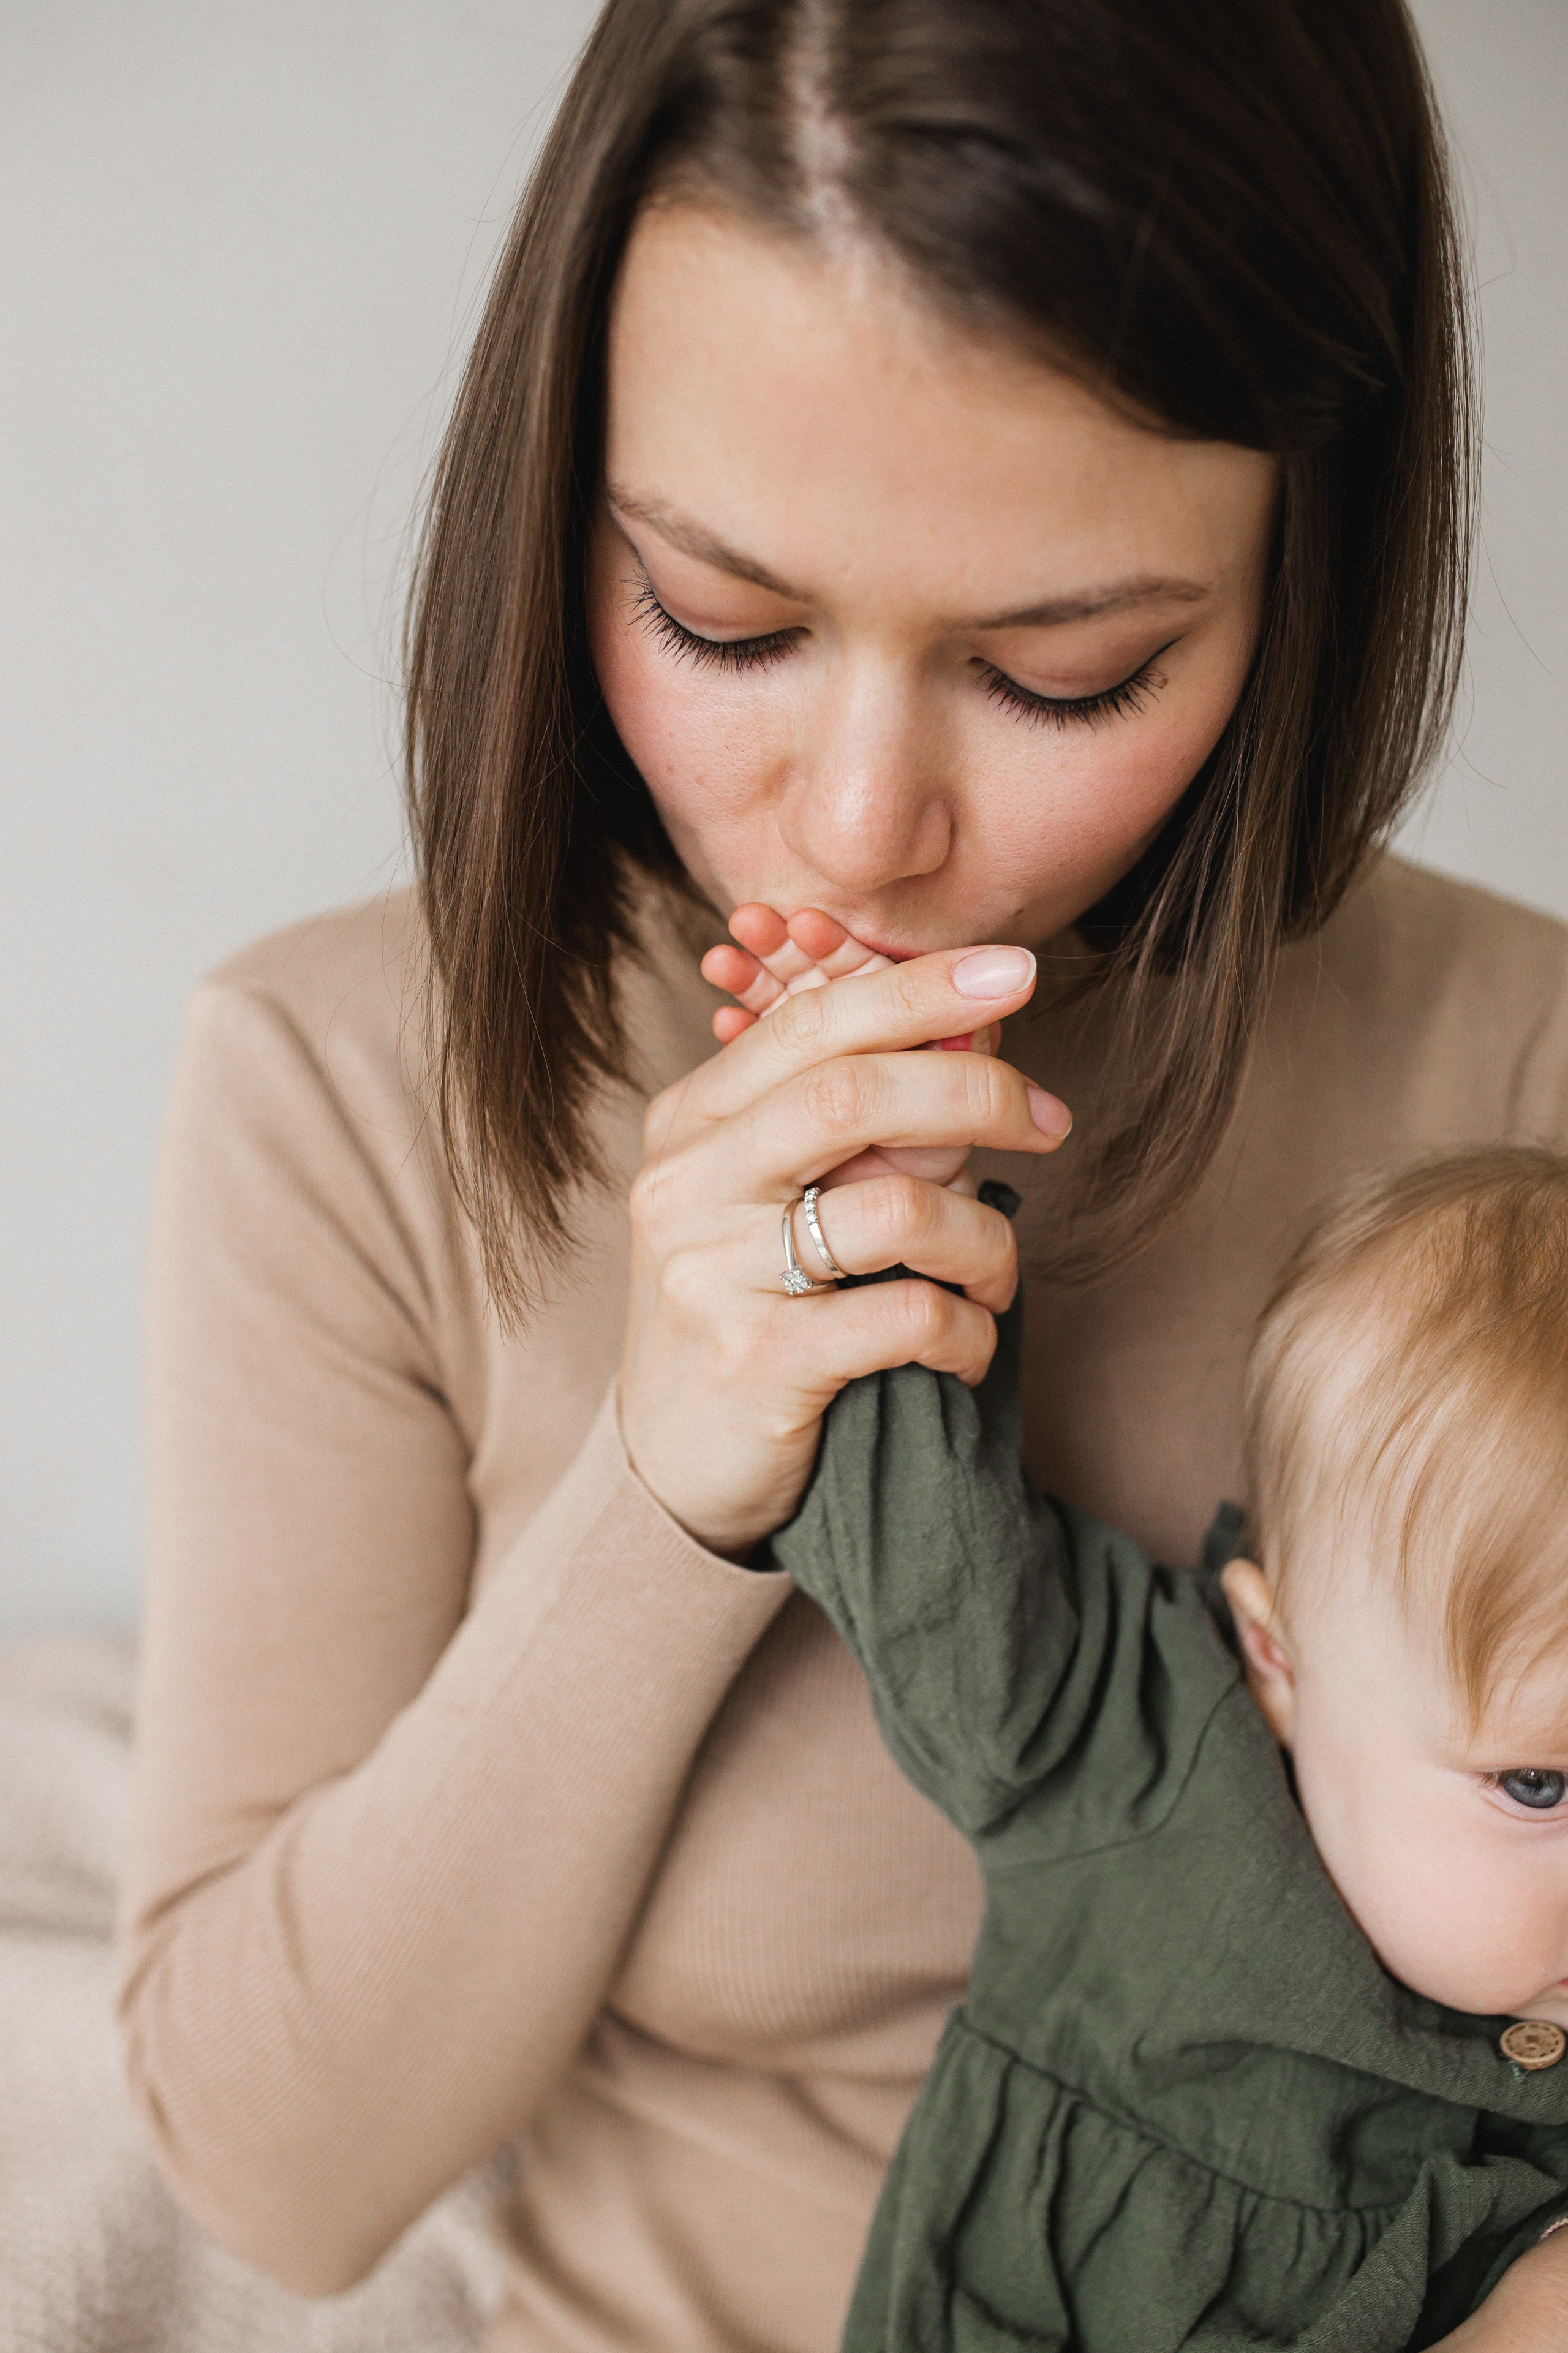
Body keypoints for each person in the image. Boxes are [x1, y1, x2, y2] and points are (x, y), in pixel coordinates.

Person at [116, 0, 1568, 2346]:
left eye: (1067, 673)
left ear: (1312, 562)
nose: (863, 822)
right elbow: (276, 2175)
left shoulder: (1523, 1072)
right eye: (723, 619)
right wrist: (664, 1486)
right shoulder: (333, 1088)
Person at [767, 1147, 1568, 2351]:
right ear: (1279, 1659)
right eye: (1535, 1784)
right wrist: (892, 1214)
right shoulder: (1130, 1752)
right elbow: (928, 1561)